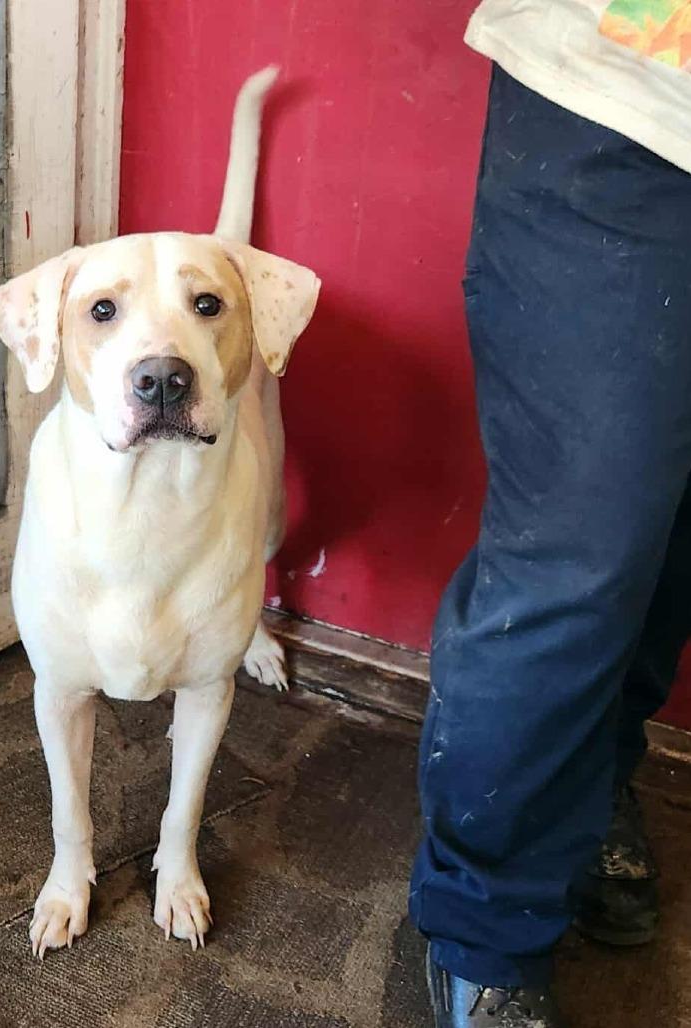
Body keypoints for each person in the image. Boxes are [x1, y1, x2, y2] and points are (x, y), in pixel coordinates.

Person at [408, 2, 691, 1025]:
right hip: (626, 112)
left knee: (665, 546)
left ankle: (589, 781)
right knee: (573, 563)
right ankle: (483, 924)